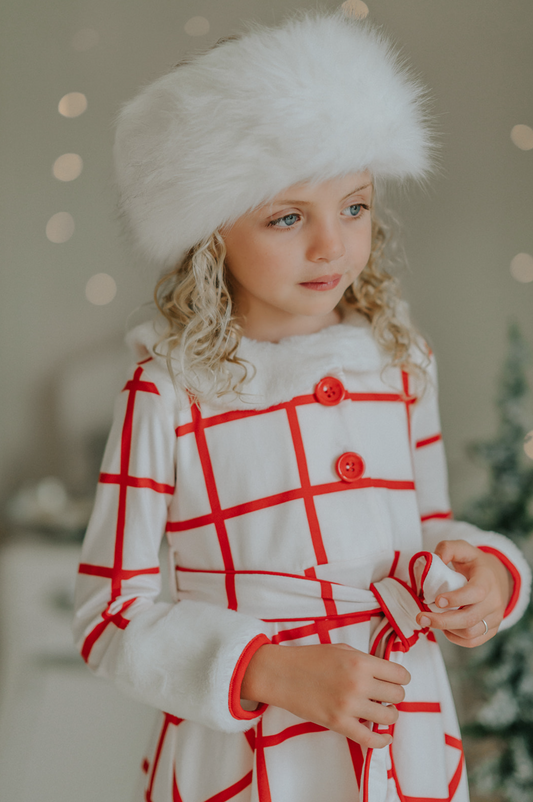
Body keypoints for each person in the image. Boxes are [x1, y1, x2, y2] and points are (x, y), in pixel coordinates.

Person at [73, 10, 531, 802]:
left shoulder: (400, 361)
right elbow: (108, 613)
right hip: (248, 757)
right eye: (287, 217)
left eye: (353, 207)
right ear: (209, 232)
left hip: (403, 728)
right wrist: (269, 670)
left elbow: (427, 526)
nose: (331, 246)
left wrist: (486, 571)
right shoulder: (168, 389)